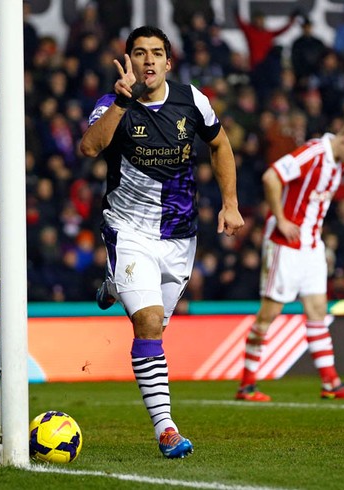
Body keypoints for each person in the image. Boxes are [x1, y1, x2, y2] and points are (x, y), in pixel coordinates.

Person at [79, 26, 244, 459]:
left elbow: (221, 144)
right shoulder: (111, 104)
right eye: (139, 53)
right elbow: (90, 148)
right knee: (149, 324)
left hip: (179, 237)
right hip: (128, 230)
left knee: (158, 329)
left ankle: (114, 286)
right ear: (129, 61)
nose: (148, 61)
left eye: (156, 54)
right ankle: (167, 430)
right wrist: (121, 102)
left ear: (169, 63)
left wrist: (229, 203)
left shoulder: (193, 101)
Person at [236, 118, 344, 402]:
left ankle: (331, 383)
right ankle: (247, 384)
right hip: (284, 244)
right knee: (269, 315)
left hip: (312, 245)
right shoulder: (314, 153)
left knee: (317, 311)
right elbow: (271, 177)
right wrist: (282, 219)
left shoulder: (341, 162)